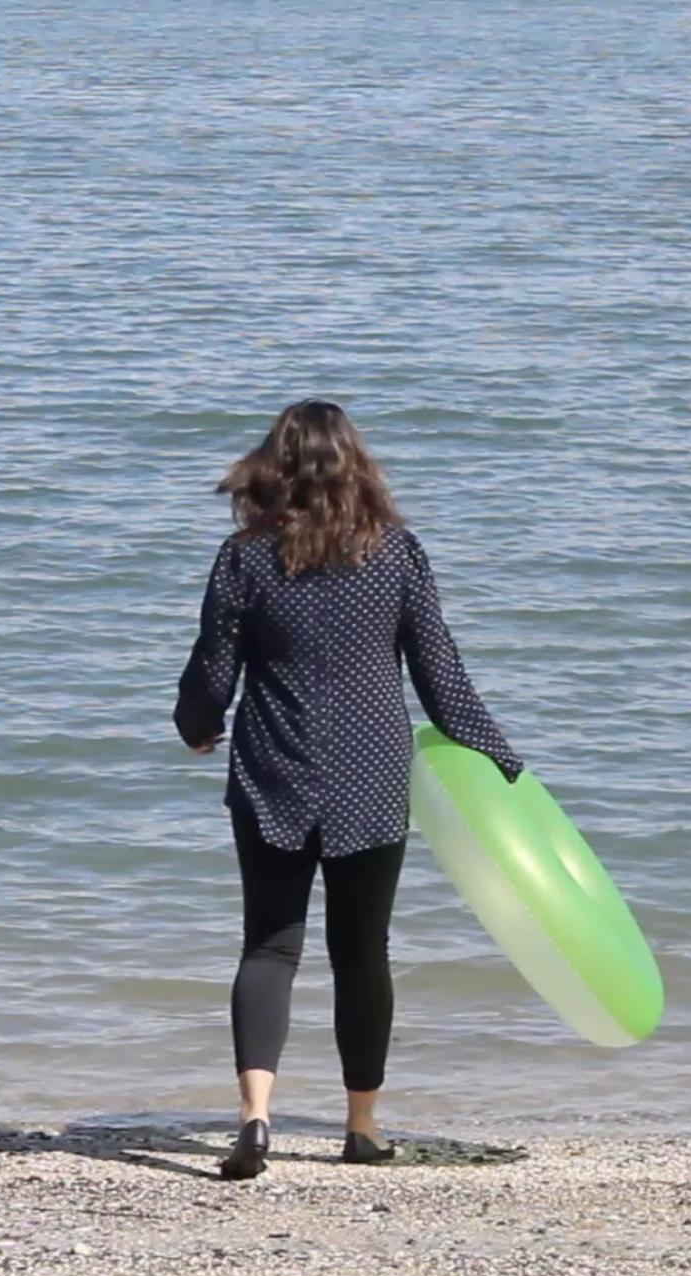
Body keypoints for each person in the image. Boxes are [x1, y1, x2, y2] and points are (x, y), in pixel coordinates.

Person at [174, 399, 522, 1181]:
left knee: (270, 944)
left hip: (273, 767)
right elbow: (443, 681)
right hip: (370, 777)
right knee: (363, 952)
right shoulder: (397, 555)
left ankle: (255, 1119)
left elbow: (211, 675)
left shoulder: (246, 558)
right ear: (358, 469)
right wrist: (505, 761)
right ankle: (361, 1128)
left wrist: (194, 726)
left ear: (271, 470)